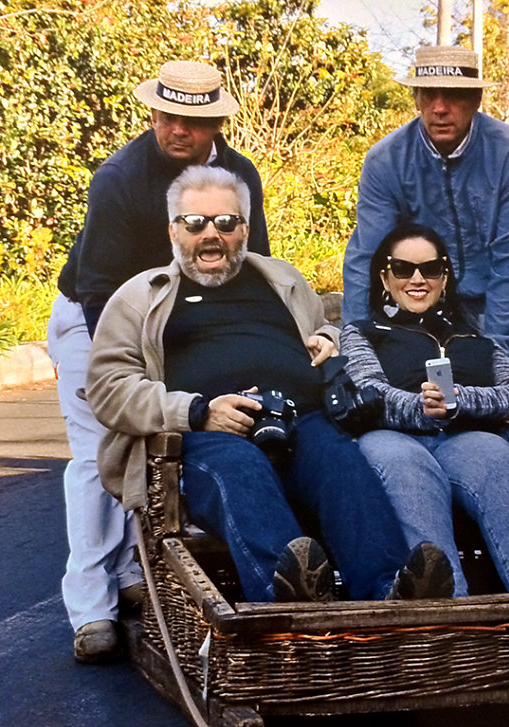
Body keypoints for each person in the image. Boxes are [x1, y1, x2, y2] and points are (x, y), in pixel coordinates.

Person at [85, 166, 454, 604]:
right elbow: (108, 388)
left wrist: (329, 339)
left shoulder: (282, 279)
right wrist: (198, 411)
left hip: (301, 421)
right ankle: (290, 601)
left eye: (226, 222)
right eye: (195, 222)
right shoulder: (140, 297)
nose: (211, 234)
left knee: (342, 464)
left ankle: (387, 594)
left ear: (244, 228)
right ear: (172, 230)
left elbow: (327, 329)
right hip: (206, 438)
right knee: (241, 468)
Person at [46, 60, 270, 663]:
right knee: (103, 447)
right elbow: (100, 291)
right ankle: (93, 609)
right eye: (168, 116)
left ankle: (134, 574)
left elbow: (253, 272)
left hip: (186, 321)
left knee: (177, 441)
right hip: (98, 316)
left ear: (218, 122)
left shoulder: (238, 176)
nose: (178, 130)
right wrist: (128, 378)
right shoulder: (119, 178)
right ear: (152, 113)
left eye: (193, 121)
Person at [341, 45, 509, 483]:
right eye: (428, 94)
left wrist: (489, 358)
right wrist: (357, 340)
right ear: (417, 98)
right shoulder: (386, 159)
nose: (440, 108)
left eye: (454, 96)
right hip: (430, 301)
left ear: (476, 101)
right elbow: (368, 256)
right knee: (422, 406)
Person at [340, 223, 509, 597]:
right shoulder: (363, 333)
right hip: (393, 438)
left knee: (499, 459)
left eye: (430, 270)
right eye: (403, 269)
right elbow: (367, 391)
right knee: (407, 467)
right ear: (385, 278)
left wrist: (463, 403)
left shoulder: (473, 338)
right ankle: (450, 617)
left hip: (466, 437)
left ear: (444, 278)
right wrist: (421, 407)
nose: (417, 279)